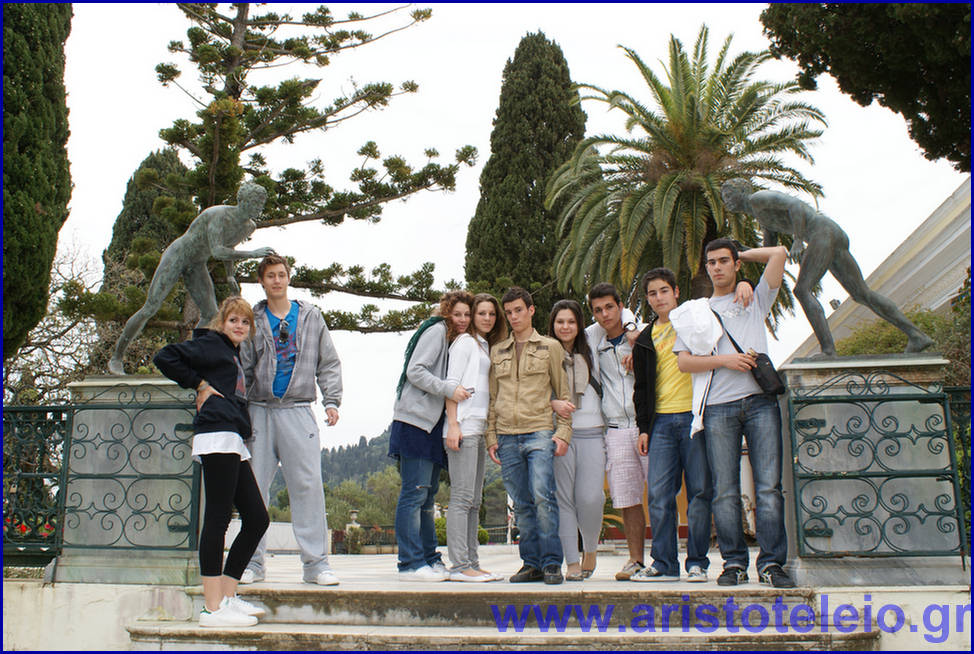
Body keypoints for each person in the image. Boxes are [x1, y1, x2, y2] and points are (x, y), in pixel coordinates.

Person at [672, 238, 797, 588]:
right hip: (717, 408)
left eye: (724, 260)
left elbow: (779, 253)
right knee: (725, 490)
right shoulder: (695, 312)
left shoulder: (754, 298)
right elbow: (684, 363)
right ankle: (734, 563)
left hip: (760, 403)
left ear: (736, 264)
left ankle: (771, 564)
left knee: (769, 488)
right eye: (711, 262)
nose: (717, 267)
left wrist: (740, 259)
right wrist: (725, 360)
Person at [154, 296, 270, 628]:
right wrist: (200, 384)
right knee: (218, 519)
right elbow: (165, 356)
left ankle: (228, 598)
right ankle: (212, 608)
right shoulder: (211, 344)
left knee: (256, 518)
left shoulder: (231, 352)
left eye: (245, 322)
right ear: (222, 322)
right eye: (233, 320)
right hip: (217, 435)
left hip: (231, 436)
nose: (239, 326)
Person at [721, 178, 934, 356]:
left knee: (802, 290)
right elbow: (771, 253)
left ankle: (828, 351)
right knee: (861, 294)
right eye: (724, 198)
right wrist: (743, 251)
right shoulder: (761, 217)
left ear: (743, 191)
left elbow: (795, 205)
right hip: (829, 233)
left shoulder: (758, 199)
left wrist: (797, 240)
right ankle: (917, 336)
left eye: (729, 195)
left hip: (821, 232)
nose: (726, 201)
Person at [630, 269, 750, 583]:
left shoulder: (697, 321)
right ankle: (664, 564)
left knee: (700, 493)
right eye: (652, 293)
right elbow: (641, 389)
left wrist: (744, 282)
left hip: (696, 418)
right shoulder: (644, 339)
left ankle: (697, 563)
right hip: (661, 424)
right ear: (648, 299)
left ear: (676, 292)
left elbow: (725, 307)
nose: (659, 298)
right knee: (659, 495)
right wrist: (644, 428)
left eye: (663, 291)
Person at [238, 254, 343, 586]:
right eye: (270, 275)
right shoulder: (253, 319)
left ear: (288, 278)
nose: (277, 280)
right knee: (254, 489)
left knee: (307, 487)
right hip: (259, 410)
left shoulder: (311, 316)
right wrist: (238, 410)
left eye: (281, 274)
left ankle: (316, 565)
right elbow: (242, 367)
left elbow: (328, 361)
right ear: (262, 281)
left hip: (298, 410)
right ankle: (252, 564)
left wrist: (332, 401)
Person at [109, 182, 275, 375]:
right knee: (151, 307)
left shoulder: (248, 226)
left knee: (211, 314)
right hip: (178, 255)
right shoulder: (219, 214)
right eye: (255, 203)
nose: (259, 208)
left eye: (261, 203)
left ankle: (189, 360)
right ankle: (116, 357)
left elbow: (229, 246)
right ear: (242, 201)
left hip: (197, 263)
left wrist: (230, 275)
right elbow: (218, 251)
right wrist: (253, 254)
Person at [486, 286, 571, 585]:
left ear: (531, 310)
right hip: (507, 436)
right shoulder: (497, 351)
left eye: (519, 310)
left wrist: (564, 432)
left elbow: (563, 393)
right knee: (521, 504)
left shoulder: (551, 347)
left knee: (543, 497)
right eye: (508, 312)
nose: (513, 317)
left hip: (539, 432)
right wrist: (491, 436)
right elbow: (493, 397)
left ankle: (551, 563)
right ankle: (531, 563)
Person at [391, 291, 474, 582]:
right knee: (414, 494)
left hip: (431, 425)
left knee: (427, 497)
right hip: (415, 422)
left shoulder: (452, 338)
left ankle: (428, 558)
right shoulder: (437, 330)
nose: (463, 320)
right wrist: (448, 388)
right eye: (457, 314)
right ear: (447, 312)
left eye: (467, 315)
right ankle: (409, 563)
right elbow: (415, 370)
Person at [444, 293, 507, 582]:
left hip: (479, 429)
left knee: (474, 501)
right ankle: (459, 566)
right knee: (462, 498)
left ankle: (472, 562)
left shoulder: (483, 344)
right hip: (463, 428)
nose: (487, 318)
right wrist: (453, 425)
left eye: (492, 314)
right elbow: (451, 385)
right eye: (481, 313)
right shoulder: (465, 342)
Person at [586, 282, 646, 581]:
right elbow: (571, 329)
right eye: (598, 310)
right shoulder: (594, 340)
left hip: (648, 424)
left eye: (610, 307)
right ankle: (636, 560)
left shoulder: (643, 335)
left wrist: (633, 329)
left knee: (661, 494)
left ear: (620, 306)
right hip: (616, 429)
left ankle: (666, 561)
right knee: (626, 498)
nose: (605, 314)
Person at [548, 299, 605, 582]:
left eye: (571, 321)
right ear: (552, 325)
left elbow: (621, 314)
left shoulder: (592, 341)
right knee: (564, 500)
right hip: (560, 434)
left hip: (593, 431)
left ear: (580, 324)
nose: (565, 327)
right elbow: (533, 391)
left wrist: (631, 328)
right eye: (560, 322)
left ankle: (590, 549)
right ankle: (571, 561)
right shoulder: (545, 351)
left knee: (590, 497)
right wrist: (552, 403)